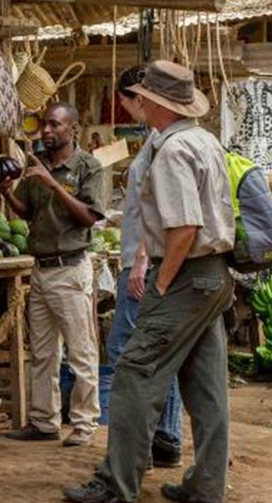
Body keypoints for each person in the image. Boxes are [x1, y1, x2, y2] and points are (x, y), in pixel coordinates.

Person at [64, 60, 235, 503]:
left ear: (154, 102)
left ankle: (117, 483)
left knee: (134, 377)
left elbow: (184, 228)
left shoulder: (174, 151)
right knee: (207, 386)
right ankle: (206, 485)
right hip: (214, 274)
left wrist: (160, 281)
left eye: (140, 97)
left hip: (185, 273)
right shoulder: (205, 141)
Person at [0, 102, 105, 447]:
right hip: (40, 270)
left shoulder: (88, 167)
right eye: (45, 125)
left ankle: (85, 424)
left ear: (73, 129)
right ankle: (44, 421)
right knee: (43, 353)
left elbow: (90, 217)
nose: (46, 131)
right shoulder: (37, 167)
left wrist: (54, 185)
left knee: (80, 351)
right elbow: (28, 213)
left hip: (71, 270)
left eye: (55, 125)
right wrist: (8, 192)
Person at [106, 65, 183, 469]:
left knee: (131, 350)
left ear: (141, 99)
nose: (125, 109)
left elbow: (161, 210)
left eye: (126, 101)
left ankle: (160, 437)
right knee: (152, 351)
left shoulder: (164, 144)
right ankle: (164, 436)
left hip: (145, 262)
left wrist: (141, 261)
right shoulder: (160, 140)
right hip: (145, 258)